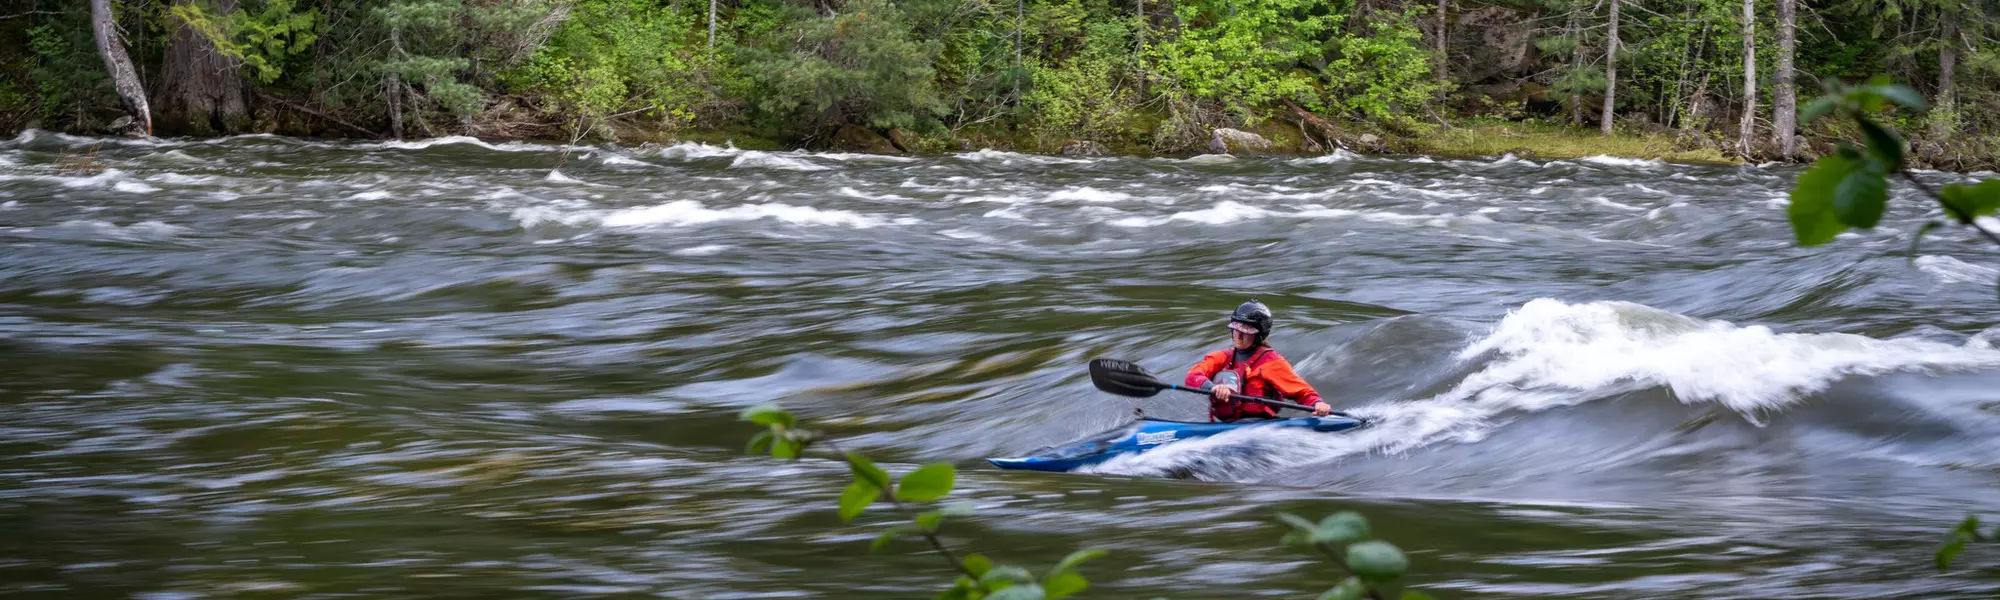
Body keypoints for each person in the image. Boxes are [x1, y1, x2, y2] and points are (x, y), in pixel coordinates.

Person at [1183, 300, 1333, 422]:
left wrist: (1317, 403)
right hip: (1223, 426)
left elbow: (1301, 392)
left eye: (1246, 332)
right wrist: (1212, 387)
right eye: (1236, 329)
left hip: (1259, 426)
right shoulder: (1221, 357)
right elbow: (1193, 376)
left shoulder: (1271, 362)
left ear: (1259, 335)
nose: (1239, 336)